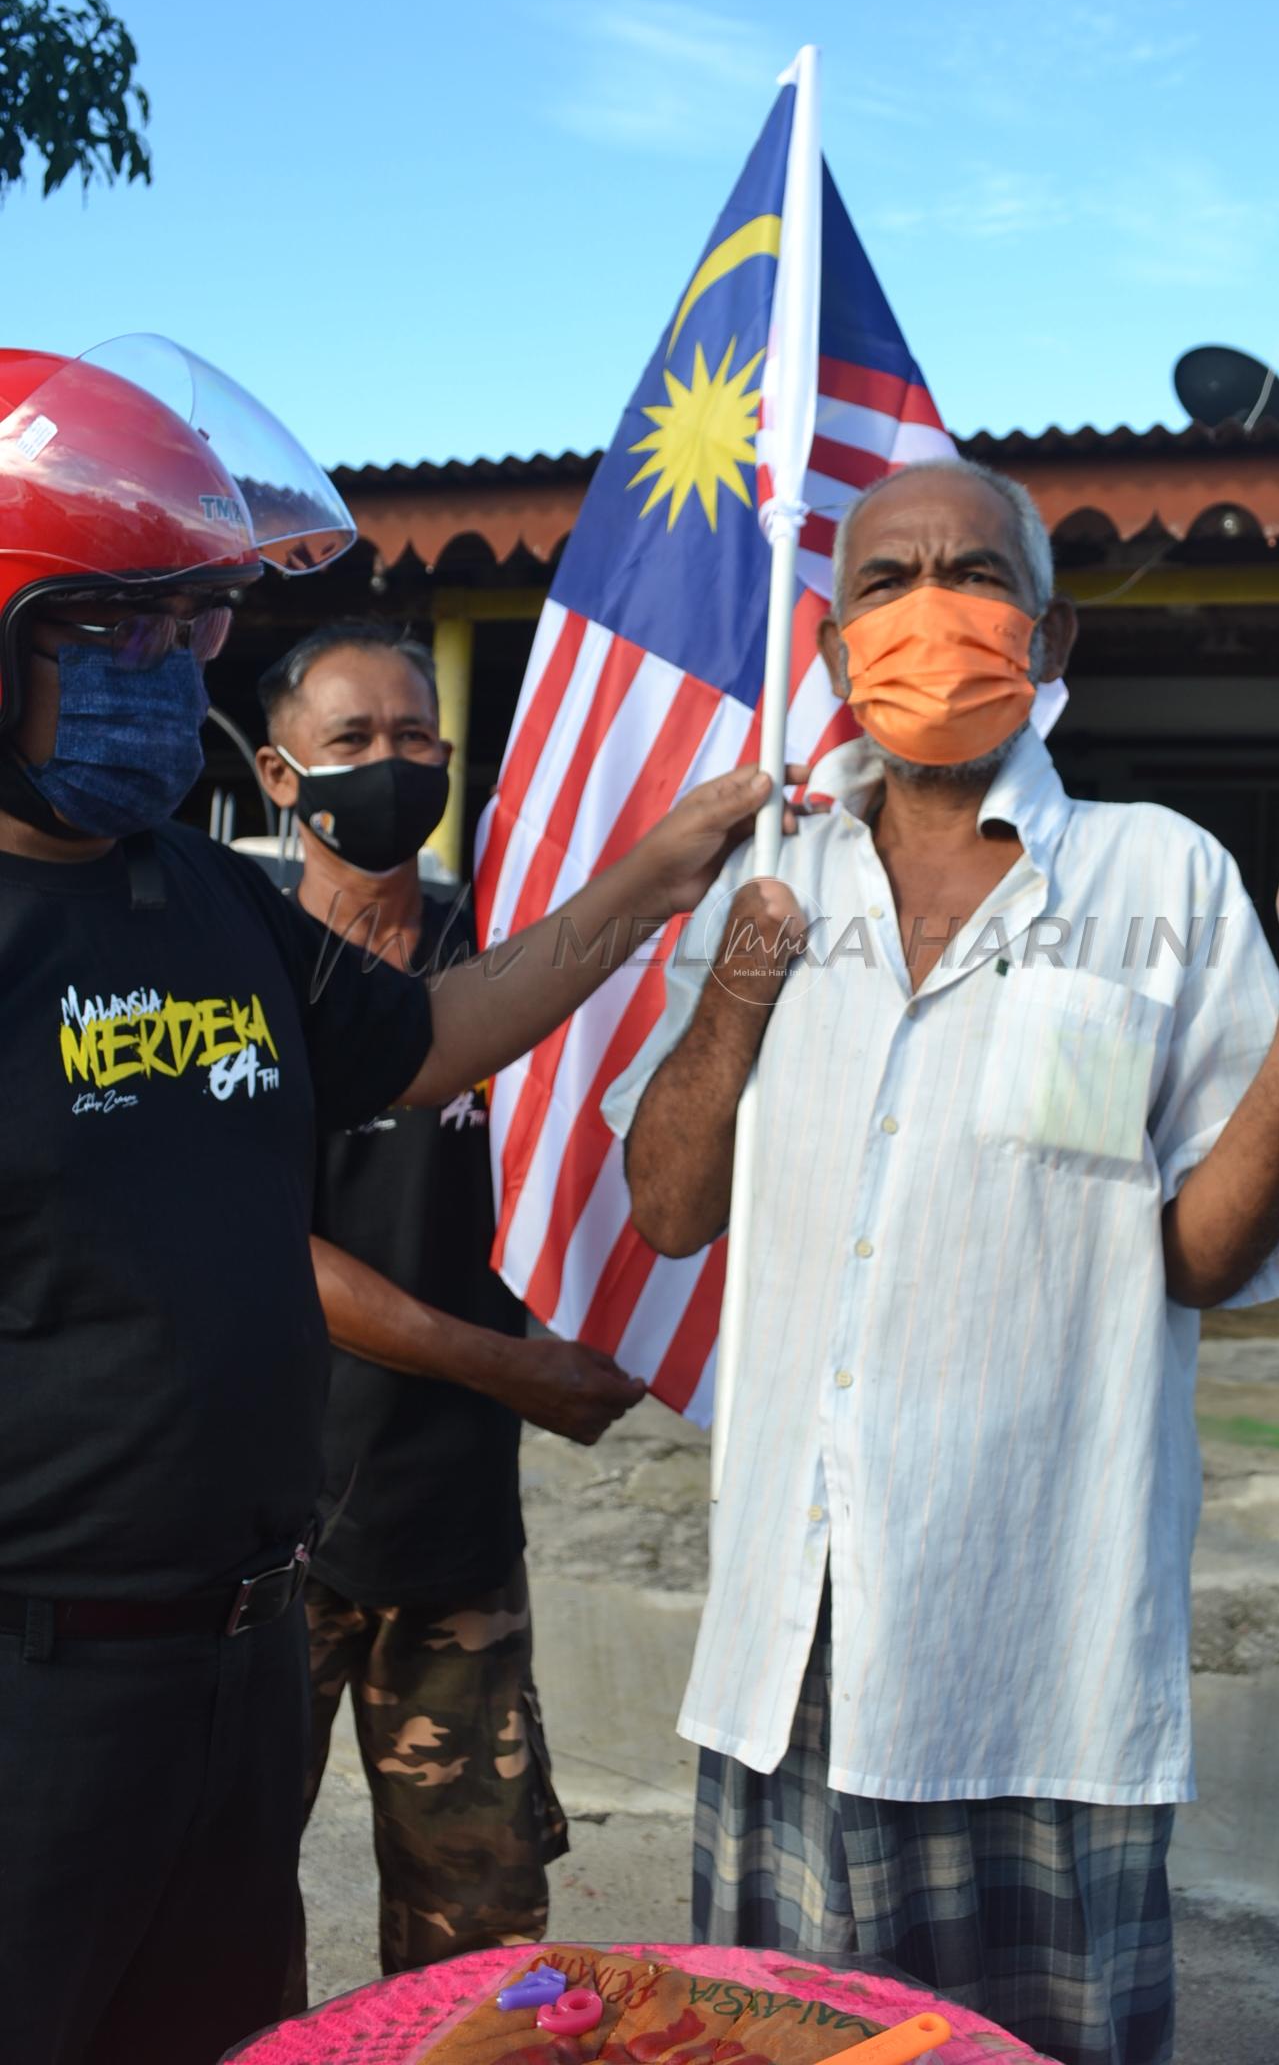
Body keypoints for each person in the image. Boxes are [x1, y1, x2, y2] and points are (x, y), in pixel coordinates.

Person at [0, 343, 776, 2065]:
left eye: (187, 626)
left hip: (240, 1645)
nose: (167, 672)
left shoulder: (196, 890)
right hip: (36, 1677)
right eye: (108, 631)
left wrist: (657, 877)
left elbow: (426, 1043)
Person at [605, 458, 1279, 2065]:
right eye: (884, 583)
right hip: (791, 1632)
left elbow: (1200, 1255)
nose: (930, 614)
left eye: (971, 576)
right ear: (837, 654)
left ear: (1048, 642)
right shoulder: (774, 889)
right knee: (770, 2044)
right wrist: (736, 989)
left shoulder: (1159, 878)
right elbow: (667, 1210)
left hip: (1030, 1645)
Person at [250, 618, 645, 1990]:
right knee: (215, 1910)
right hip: (258, 1543)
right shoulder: (237, 973)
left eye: (416, 737)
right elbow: (265, 1248)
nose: (390, 762)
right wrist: (511, 1368)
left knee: (476, 1938)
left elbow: (621, 1140)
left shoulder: (504, 968)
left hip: (452, 1532)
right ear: (278, 773)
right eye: (351, 740)